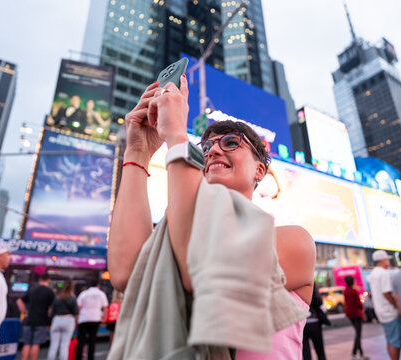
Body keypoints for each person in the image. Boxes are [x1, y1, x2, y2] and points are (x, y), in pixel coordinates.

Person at [108, 77, 315, 358]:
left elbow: (207, 274)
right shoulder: (179, 236)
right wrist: (138, 153)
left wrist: (178, 135)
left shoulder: (294, 241)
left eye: (231, 143)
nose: (213, 151)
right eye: (205, 148)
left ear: (259, 171)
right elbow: (128, 275)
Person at [367, 250, 401, 360]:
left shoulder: (373, 273)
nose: (388, 261)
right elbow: (386, 293)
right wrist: (397, 306)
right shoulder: (383, 273)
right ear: (383, 260)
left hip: (381, 312)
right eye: (387, 259)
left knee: (390, 340)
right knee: (395, 342)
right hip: (390, 312)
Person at [17, 273, 55, 360]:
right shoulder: (50, 292)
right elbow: (51, 309)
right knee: (35, 344)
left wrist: (25, 312)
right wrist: (49, 322)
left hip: (28, 320)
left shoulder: (32, 290)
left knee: (26, 344)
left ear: (39, 280)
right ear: (48, 280)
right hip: (41, 321)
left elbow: (19, 301)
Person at [75, 280, 108, 360]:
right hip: (95, 318)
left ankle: (78, 357)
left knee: (81, 340)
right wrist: (104, 318)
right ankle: (91, 357)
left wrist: (76, 319)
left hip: (83, 319)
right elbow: (105, 307)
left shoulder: (84, 293)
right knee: (92, 340)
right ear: (98, 285)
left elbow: (78, 307)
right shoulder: (101, 293)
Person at [48, 279, 79, 360]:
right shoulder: (72, 298)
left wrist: (49, 324)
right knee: (64, 345)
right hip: (68, 320)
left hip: (57, 320)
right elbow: (76, 313)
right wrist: (76, 323)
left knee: (53, 345)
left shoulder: (57, 298)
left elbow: (52, 312)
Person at [343, 276, 367, 360]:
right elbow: (359, 304)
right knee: (358, 334)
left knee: (357, 333)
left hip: (350, 314)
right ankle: (354, 353)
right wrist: (362, 309)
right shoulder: (354, 291)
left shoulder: (345, 291)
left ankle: (361, 354)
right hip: (356, 314)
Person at [302, 286, 329, 360]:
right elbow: (319, 302)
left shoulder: (295, 284)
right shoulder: (310, 283)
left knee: (306, 353)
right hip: (314, 321)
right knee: (320, 351)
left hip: (301, 323)